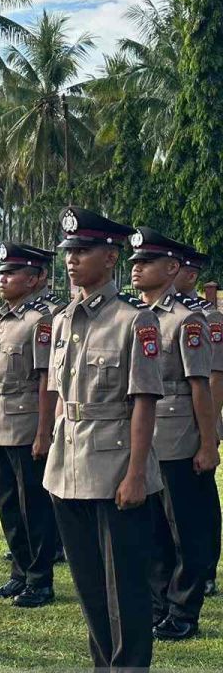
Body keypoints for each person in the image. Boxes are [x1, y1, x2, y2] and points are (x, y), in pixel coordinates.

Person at [42, 207, 164, 670]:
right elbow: (61, 395)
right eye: (69, 251)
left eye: (84, 250)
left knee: (125, 587)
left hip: (114, 468)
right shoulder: (63, 319)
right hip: (67, 466)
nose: (72, 259)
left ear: (110, 257)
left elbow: (143, 402)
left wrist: (136, 474)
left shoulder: (134, 321)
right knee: (89, 584)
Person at [127, 227, 218, 641]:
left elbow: (201, 386)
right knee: (153, 530)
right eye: (133, 263)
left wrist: (208, 443)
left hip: (179, 438)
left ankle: (184, 611)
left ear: (172, 267)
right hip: (145, 441)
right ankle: (159, 603)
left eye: (145, 262)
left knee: (186, 531)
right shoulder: (136, 317)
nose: (136, 269)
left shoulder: (188, 320)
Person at [0, 243, 58, 608]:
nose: (2, 279)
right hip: (0, 422)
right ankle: (20, 571)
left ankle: (40, 579)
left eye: (10, 273)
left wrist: (44, 432)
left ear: (33, 279)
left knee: (34, 505)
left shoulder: (41, 320)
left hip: (29, 424)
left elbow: (46, 380)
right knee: (8, 502)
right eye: (0, 273)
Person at [176, 250, 223, 597]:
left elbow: (215, 377)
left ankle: (205, 568)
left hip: (196, 422)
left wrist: (209, 431)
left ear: (189, 275)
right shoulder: (149, 314)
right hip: (166, 427)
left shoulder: (208, 317)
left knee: (199, 501)